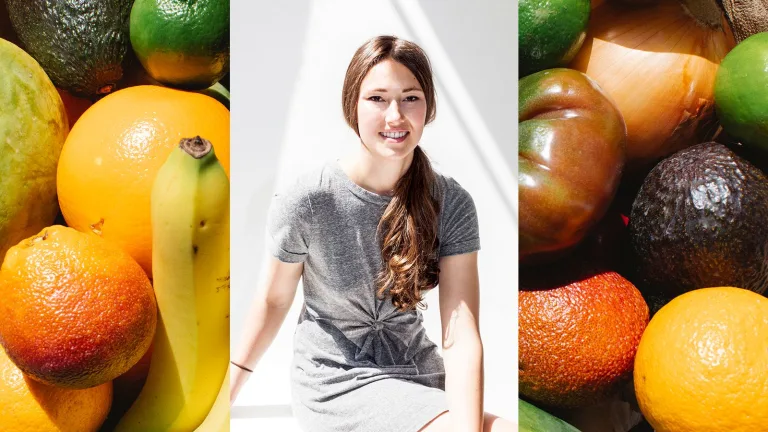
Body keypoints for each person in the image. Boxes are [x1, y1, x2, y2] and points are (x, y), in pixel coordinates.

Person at [230, 35, 515, 432]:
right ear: (353, 106)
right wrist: (226, 391)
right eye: (377, 99)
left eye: (410, 98)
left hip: (421, 375)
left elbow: (461, 335)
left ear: (428, 107)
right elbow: (274, 301)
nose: (395, 116)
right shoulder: (309, 199)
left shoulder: (451, 202)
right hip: (337, 381)